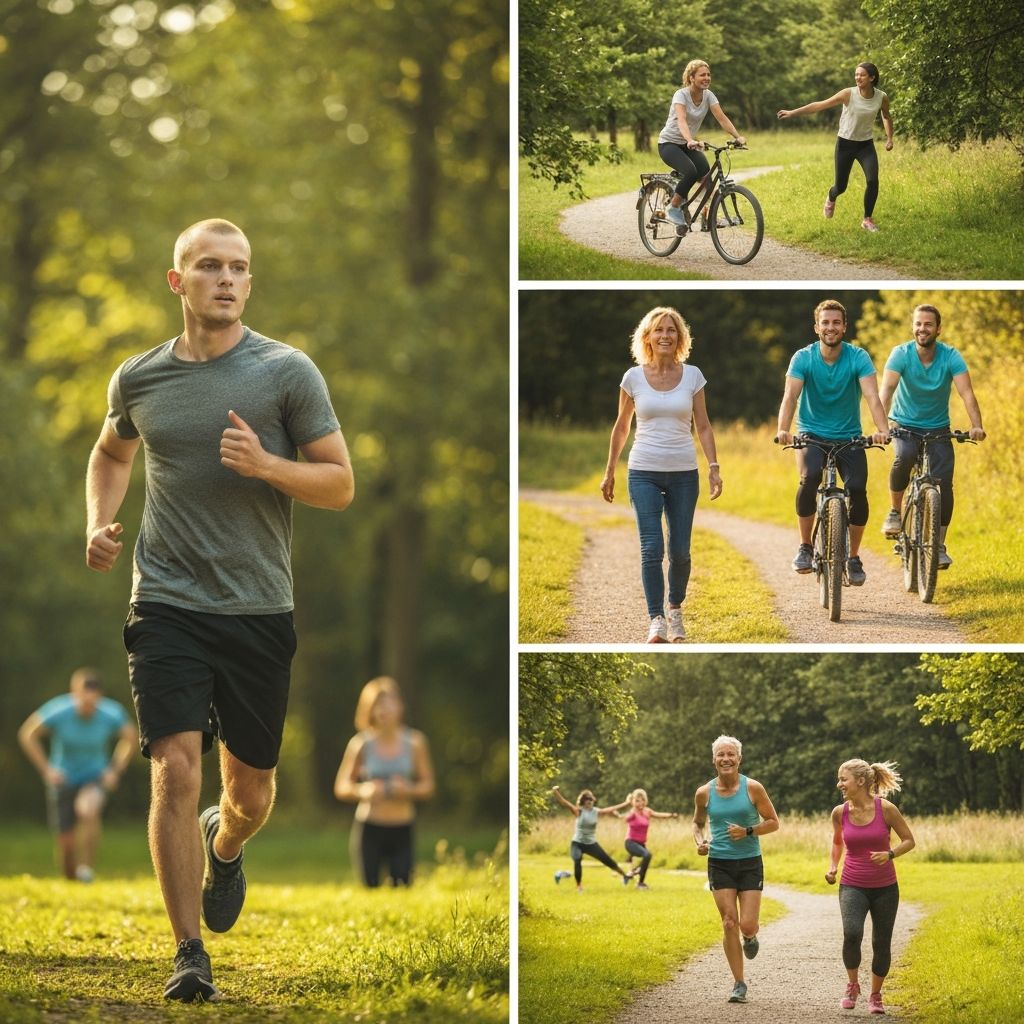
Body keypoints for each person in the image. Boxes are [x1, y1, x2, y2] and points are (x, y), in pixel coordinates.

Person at [85, 218, 354, 1003]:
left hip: (257, 606)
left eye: (239, 267)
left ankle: (225, 845)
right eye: (210, 266)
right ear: (179, 281)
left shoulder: (286, 372)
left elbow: (340, 483)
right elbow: (110, 451)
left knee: (251, 795)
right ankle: (188, 953)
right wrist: (98, 522)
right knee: (174, 766)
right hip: (165, 599)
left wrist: (269, 465)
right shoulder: (139, 377)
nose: (227, 279)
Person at [601, 306, 722, 643]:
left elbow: (704, 426)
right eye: (659, 330)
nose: (665, 335)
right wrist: (610, 471)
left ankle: (675, 609)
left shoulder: (694, 376)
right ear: (647, 337)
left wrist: (713, 467)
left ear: (680, 337)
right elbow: (621, 427)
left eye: (671, 330)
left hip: (684, 473)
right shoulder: (633, 378)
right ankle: (656, 619)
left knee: (680, 551)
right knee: (651, 548)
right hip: (643, 472)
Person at [776, 299, 890, 586]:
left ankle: (853, 557)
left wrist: (882, 429)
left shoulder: (858, 357)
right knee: (809, 479)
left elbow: (872, 397)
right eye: (825, 322)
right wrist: (783, 430)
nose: (831, 327)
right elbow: (790, 397)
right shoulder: (803, 358)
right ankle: (805, 546)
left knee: (857, 489)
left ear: (844, 327)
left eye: (836, 322)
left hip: (849, 436)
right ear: (816, 327)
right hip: (811, 435)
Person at [878, 303, 986, 569]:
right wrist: (882, 427)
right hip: (903, 424)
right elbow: (886, 390)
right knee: (903, 457)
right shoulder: (901, 354)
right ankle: (895, 512)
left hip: (938, 427)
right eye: (918, 324)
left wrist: (976, 425)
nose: (922, 329)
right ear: (912, 327)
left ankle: (938, 546)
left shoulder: (950, 356)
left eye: (928, 324)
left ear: (938, 329)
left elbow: (967, 393)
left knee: (944, 484)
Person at [18, 668, 136, 882]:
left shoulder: (111, 713)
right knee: (66, 843)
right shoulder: (58, 710)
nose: (88, 707)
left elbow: (130, 737)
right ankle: (71, 874)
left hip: (94, 776)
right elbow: (28, 734)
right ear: (74, 693)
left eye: (93, 703)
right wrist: (47, 770)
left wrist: (114, 769)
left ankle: (86, 869)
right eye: (84, 701)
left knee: (88, 810)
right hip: (63, 778)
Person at [693, 735, 780, 1004]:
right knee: (729, 921)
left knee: (747, 924)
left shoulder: (753, 788)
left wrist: (748, 831)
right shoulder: (704, 793)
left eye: (731, 754)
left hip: (750, 861)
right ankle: (739, 983)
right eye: (721, 754)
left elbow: (773, 822)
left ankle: (750, 936)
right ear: (714, 760)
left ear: (739, 759)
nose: (726, 759)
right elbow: (697, 823)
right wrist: (700, 841)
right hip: (719, 862)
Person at [826, 759, 916, 1015]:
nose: (839, 784)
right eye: (839, 779)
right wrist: (832, 866)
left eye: (843, 779)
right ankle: (852, 985)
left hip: (885, 887)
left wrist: (890, 854)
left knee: (881, 941)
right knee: (852, 933)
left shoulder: (886, 809)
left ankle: (876, 995)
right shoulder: (840, 812)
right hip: (852, 884)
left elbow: (909, 840)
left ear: (861, 781)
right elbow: (837, 842)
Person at [333, 676, 435, 887]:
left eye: (388, 703)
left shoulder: (415, 743)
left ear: (400, 706)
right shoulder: (360, 744)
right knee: (370, 889)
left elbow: (428, 787)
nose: (383, 709)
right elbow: (341, 787)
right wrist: (364, 791)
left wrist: (408, 789)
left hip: (403, 827)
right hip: (369, 828)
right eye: (377, 704)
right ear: (368, 710)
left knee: (403, 887)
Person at [777, 62, 893, 232]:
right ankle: (831, 196)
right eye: (856, 74)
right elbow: (819, 105)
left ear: (872, 78)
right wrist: (793, 112)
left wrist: (889, 138)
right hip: (845, 144)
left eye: (861, 75)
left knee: (872, 180)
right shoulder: (848, 94)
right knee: (841, 186)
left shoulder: (881, 97)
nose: (857, 77)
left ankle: (867, 219)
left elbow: (886, 116)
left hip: (865, 145)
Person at [657, 59, 747, 231]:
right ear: (691, 78)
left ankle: (707, 217)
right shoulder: (681, 95)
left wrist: (738, 137)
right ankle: (673, 208)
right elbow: (681, 120)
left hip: (688, 144)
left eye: (708, 74)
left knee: (706, 176)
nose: (706, 78)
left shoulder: (708, 95)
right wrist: (690, 140)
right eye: (702, 75)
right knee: (691, 172)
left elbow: (722, 118)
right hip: (669, 144)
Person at [551, 786, 634, 891]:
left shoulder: (596, 811)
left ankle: (624, 876)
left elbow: (611, 809)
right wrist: (555, 792)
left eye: (591, 799)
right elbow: (564, 803)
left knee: (608, 861)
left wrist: (626, 803)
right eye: (587, 799)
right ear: (583, 801)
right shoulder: (579, 811)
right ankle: (579, 886)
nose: (589, 801)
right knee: (577, 859)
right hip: (577, 843)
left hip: (591, 844)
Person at [619, 788, 679, 890]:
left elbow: (659, 815)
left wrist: (671, 815)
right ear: (633, 802)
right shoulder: (633, 813)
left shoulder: (647, 811)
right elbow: (625, 819)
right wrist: (630, 809)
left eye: (643, 800)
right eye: (637, 800)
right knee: (647, 855)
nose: (640, 803)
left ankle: (630, 874)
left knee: (647, 857)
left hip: (641, 843)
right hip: (630, 842)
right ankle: (640, 883)